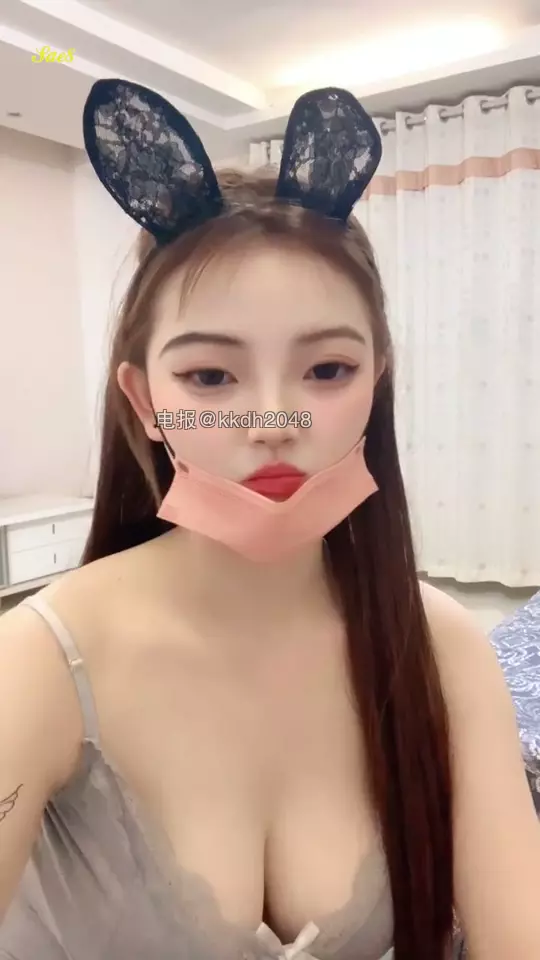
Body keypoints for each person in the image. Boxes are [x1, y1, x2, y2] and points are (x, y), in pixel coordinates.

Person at [0, 81, 539, 960]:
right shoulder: (38, 664)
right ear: (145, 401)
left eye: (327, 370)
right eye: (211, 377)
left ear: (377, 381)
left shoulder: (440, 648)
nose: (273, 420)